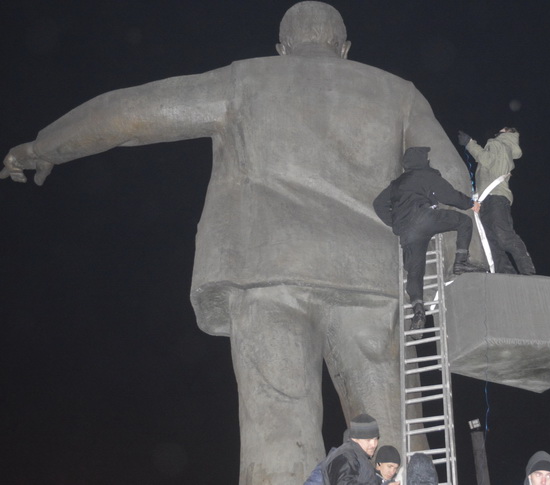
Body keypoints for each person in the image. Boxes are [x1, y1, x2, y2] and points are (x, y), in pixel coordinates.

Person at [2, 2, 468, 483]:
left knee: (278, 426)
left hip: (265, 275)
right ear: (345, 50)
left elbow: (131, 114)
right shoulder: (398, 95)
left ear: (282, 49)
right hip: (371, 281)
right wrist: (446, 268)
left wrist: (43, 147)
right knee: (392, 434)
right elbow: (452, 181)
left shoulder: (245, 81)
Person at [373, 146, 486, 332]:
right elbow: (449, 196)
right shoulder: (426, 175)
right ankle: (461, 262)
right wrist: (470, 204)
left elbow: (378, 204)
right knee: (464, 222)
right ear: (421, 161)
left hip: (407, 231)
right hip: (424, 219)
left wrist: (394, 222)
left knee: (415, 272)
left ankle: (418, 309)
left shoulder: (396, 184)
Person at [458, 127, 536, 275]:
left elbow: (487, 160)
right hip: (488, 199)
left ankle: (527, 271)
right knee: (491, 242)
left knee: (503, 236)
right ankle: (506, 275)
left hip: (495, 197)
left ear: (508, 132)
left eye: (504, 128)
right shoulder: (501, 146)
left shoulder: (499, 144)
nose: (499, 129)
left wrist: (469, 143)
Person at [323, 414, 380, 485]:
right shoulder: (345, 457)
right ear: (355, 438)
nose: (374, 444)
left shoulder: (356, 456)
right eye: (368, 440)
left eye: (376, 439)